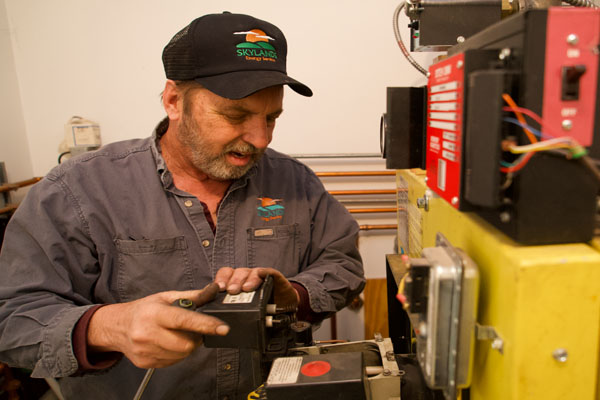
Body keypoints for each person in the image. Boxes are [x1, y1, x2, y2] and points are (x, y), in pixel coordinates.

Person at [0, 12, 365, 400]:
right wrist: (107, 327)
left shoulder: (295, 182)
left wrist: (295, 294)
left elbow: (342, 263)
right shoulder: (77, 191)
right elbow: (11, 314)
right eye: (235, 115)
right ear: (174, 100)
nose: (259, 139)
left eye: (271, 117)